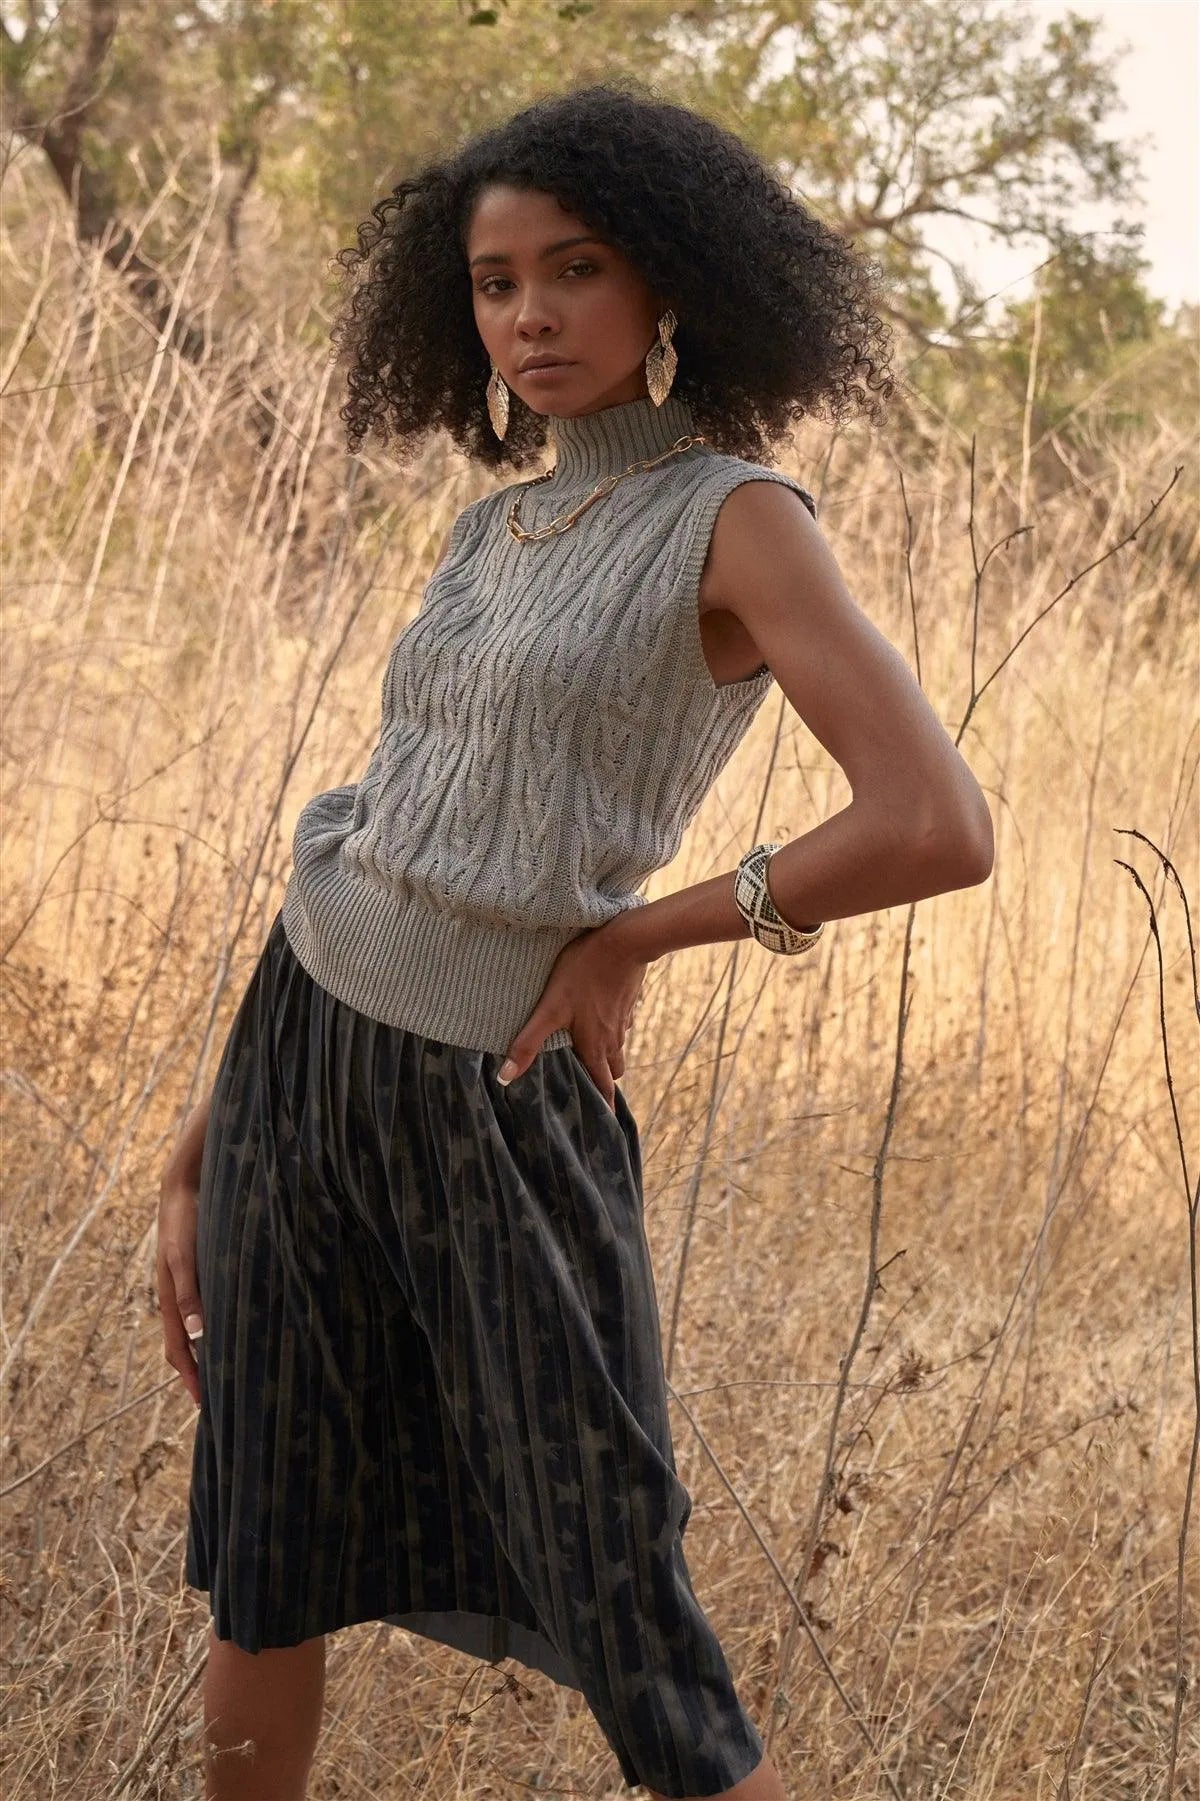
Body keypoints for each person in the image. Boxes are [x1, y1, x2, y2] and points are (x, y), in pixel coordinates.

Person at [157, 78, 993, 1801]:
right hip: (302, 1035)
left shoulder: (735, 517)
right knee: (267, 1542)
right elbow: (387, 820)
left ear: (671, 279)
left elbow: (934, 821)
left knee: (627, 1606)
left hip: (494, 1093)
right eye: (494, 281)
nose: (529, 314)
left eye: (576, 268)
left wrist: (637, 939)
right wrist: (216, 1118)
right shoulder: (494, 524)